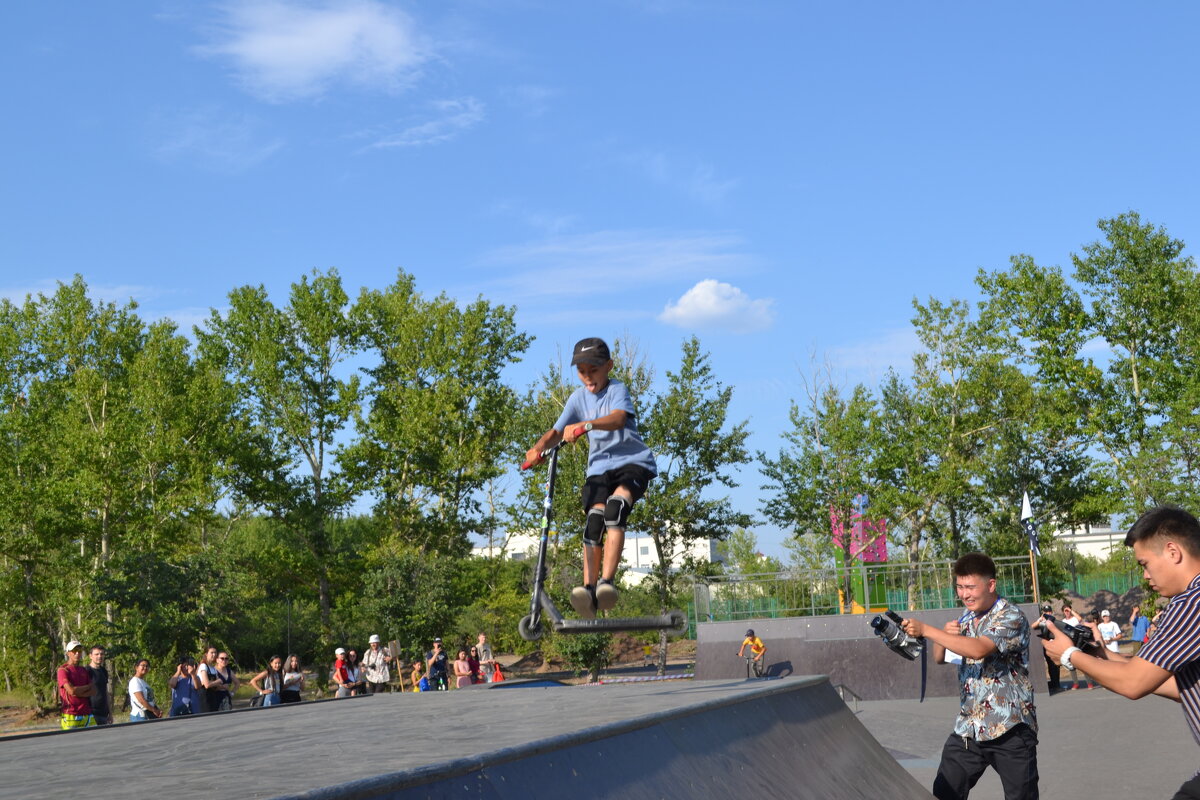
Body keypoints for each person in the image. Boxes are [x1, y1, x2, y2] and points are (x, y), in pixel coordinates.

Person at [1042, 506, 1200, 799]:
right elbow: (1180, 684)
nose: (1145, 575)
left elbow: (1133, 683)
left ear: (1173, 552)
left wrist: (1069, 656)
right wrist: (1099, 654)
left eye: (1145, 563)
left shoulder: (1191, 602)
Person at [524, 337, 658, 619]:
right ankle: (588, 590)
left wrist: (586, 425)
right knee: (593, 522)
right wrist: (537, 449)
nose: (587, 376)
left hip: (632, 462)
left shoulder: (617, 390)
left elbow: (618, 419)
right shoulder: (577, 398)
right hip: (598, 469)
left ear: (608, 366)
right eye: (581, 371)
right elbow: (556, 432)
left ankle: (607, 584)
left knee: (615, 510)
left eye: (593, 370)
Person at [900, 553, 1038, 800]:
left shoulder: (1010, 616)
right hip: (969, 728)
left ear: (991, 585)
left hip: (1009, 728)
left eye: (971, 587)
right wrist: (942, 634)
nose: (965, 594)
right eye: (960, 587)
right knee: (945, 792)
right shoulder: (966, 618)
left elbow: (978, 649)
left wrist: (927, 630)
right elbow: (940, 657)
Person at [57, 640, 96, 730]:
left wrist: (78, 692)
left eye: (79, 651)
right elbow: (71, 690)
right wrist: (87, 687)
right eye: (74, 651)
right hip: (71, 714)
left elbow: (94, 690)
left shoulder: (83, 670)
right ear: (68, 653)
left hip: (87, 713)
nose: (77, 653)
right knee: (72, 742)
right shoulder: (63, 670)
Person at [1058, 604, 1095, 690]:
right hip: (1069, 644)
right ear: (1063, 612)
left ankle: (1089, 683)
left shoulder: (1074, 619)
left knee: (1083, 663)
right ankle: (1075, 683)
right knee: (1071, 664)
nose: (1067, 612)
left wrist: (1071, 610)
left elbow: (1080, 619)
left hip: (1079, 643)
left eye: (1068, 610)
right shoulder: (1063, 621)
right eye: (1065, 611)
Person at [1032, 602, 1061, 695]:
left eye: (1049, 612)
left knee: (1056, 665)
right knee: (1050, 665)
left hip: (1054, 644)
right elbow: (1033, 626)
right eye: (1046, 612)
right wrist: (1040, 619)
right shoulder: (1042, 621)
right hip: (1046, 646)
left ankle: (1057, 684)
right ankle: (1053, 683)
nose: (1048, 613)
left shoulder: (1054, 620)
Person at [86, 645, 112, 725]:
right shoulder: (86, 671)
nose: (99, 656)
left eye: (102, 654)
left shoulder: (103, 671)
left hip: (104, 713)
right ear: (90, 656)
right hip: (91, 713)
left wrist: (110, 713)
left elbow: (105, 692)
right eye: (96, 654)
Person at [196, 646, 219, 713]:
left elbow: (219, 686)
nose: (214, 655)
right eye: (211, 653)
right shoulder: (203, 666)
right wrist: (218, 681)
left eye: (215, 653)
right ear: (206, 654)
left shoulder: (213, 668)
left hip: (213, 696)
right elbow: (207, 685)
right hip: (205, 697)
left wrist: (214, 683)